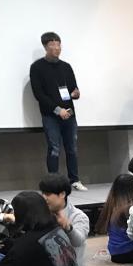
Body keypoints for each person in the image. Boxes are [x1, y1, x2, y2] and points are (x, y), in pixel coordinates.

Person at [29, 32, 86, 190]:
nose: (56, 48)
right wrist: (57, 109)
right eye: (52, 45)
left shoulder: (66, 67)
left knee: (72, 148)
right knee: (54, 148)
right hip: (51, 115)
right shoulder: (37, 67)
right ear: (45, 47)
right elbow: (39, 94)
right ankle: (53, 182)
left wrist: (76, 93)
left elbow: (73, 88)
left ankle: (74, 180)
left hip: (69, 113)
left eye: (58, 44)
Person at [39, 173, 89, 266]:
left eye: (48, 194)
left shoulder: (78, 216)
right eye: (43, 193)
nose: (44, 197)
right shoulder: (40, 213)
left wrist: (68, 228)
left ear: (62, 194)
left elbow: (78, 241)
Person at [97, 174, 133, 264]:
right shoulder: (130, 207)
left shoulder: (111, 204)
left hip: (115, 253)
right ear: (131, 189)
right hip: (129, 252)